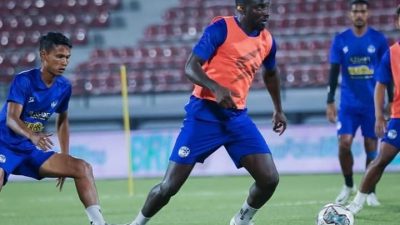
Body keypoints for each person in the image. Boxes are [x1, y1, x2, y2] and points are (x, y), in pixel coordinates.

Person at [129, 0, 287, 225]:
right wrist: (215, 87)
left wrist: (278, 109)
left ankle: (241, 220)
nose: (266, 13)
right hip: (204, 114)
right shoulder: (221, 28)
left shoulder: (268, 41)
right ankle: (137, 224)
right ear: (241, 7)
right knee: (169, 187)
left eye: (267, 6)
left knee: (269, 179)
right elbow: (191, 67)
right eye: (259, 7)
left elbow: (270, 74)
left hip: (236, 118)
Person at [0, 32, 112, 225]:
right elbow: (11, 118)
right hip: (3, 145)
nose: (64, 62)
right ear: (44, 55)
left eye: (67, 57)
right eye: (59, 56)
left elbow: (62, 121)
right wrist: (33, 136)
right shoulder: (24, 80)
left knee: (82, 168)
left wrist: (65, 155)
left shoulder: (64, 87)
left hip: (28, 150)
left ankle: (99, 223)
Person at [325, 0, 391, 206]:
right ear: (350, 15)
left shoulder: (378, 40)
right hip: (348, 105)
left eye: (362, 11)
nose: (359, 15)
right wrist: (329, 101)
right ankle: (348, 185)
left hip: (372, 105)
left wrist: (388, 101)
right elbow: (334, 73)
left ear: (367, 13)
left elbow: (387, 72)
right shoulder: (341, 40)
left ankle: (370, 191)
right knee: (344, 144)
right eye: (356, 12)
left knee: (372, 147)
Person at [347, 5, 400, 214]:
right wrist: (379, 115)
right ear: (397, 23)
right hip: (398, 117)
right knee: (380, 160)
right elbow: (380, 85)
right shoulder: (392, 53)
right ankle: (355, 204)